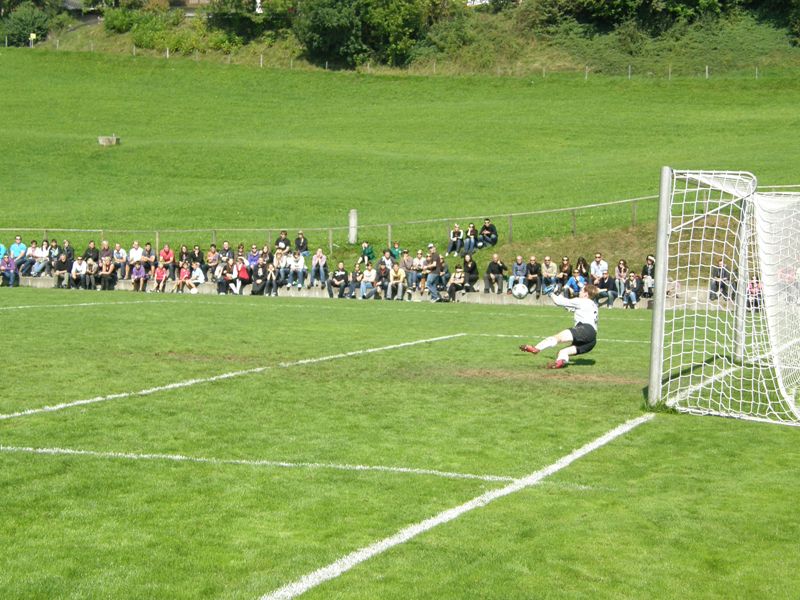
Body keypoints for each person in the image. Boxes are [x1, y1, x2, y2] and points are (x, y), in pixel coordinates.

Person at [519, 284, 600, 369]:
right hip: (592, 340)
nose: (579, 292)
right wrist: (557, 293)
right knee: (563, 352)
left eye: (581, 290)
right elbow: (568, 306)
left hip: (585, 330)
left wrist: (551, 293)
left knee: (558, 338)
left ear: (586, 294)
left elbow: (559, 302)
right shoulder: (593, 305)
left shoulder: (582, 301)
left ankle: (536, 348)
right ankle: (560, 363)